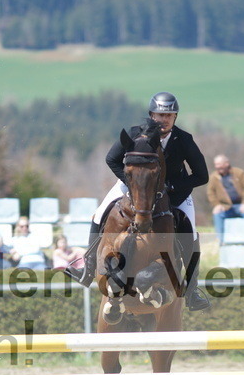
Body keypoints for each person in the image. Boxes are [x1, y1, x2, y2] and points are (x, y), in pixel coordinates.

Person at [65, 91, 211, 311]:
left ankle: (191, 291)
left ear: (175, 118)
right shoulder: (134, 134)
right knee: (99, 214)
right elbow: (111, 159)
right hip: (132, 187)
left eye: (168, 116)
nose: (163, 120)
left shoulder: (183, 140)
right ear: (151, 115)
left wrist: (172, 188)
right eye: (159, 115)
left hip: (173, 193)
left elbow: (202, 176)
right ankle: (87, 268)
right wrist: (132, 183)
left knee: (190, 233)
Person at [207, 154, 244, 243]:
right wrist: (217, 205)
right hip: (225, 207)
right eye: (216, 164)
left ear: (226, 164)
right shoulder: (214, 177)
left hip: (241, 205)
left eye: (219, 164)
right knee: (217, 214)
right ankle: (221, 241)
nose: (217, 167)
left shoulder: (239, 173)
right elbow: (211, 193)